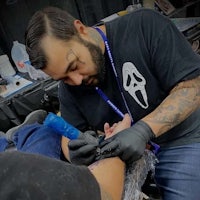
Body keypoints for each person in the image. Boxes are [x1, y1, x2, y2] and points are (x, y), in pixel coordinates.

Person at [25, 6, 200, 200]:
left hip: (182, 141)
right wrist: (76, 151)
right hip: (127, 160)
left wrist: (144, 130)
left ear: (80, 29)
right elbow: (69, 134)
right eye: (64, 78)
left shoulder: (144, 26)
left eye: (74, 65)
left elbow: (192, 88)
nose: (76, 81)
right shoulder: (69, 88)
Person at [0, 112, 132, 200]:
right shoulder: (13, 175)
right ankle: (27, 132)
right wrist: (114, 144)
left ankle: (15, 137)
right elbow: (103, 193)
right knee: (43, 136)